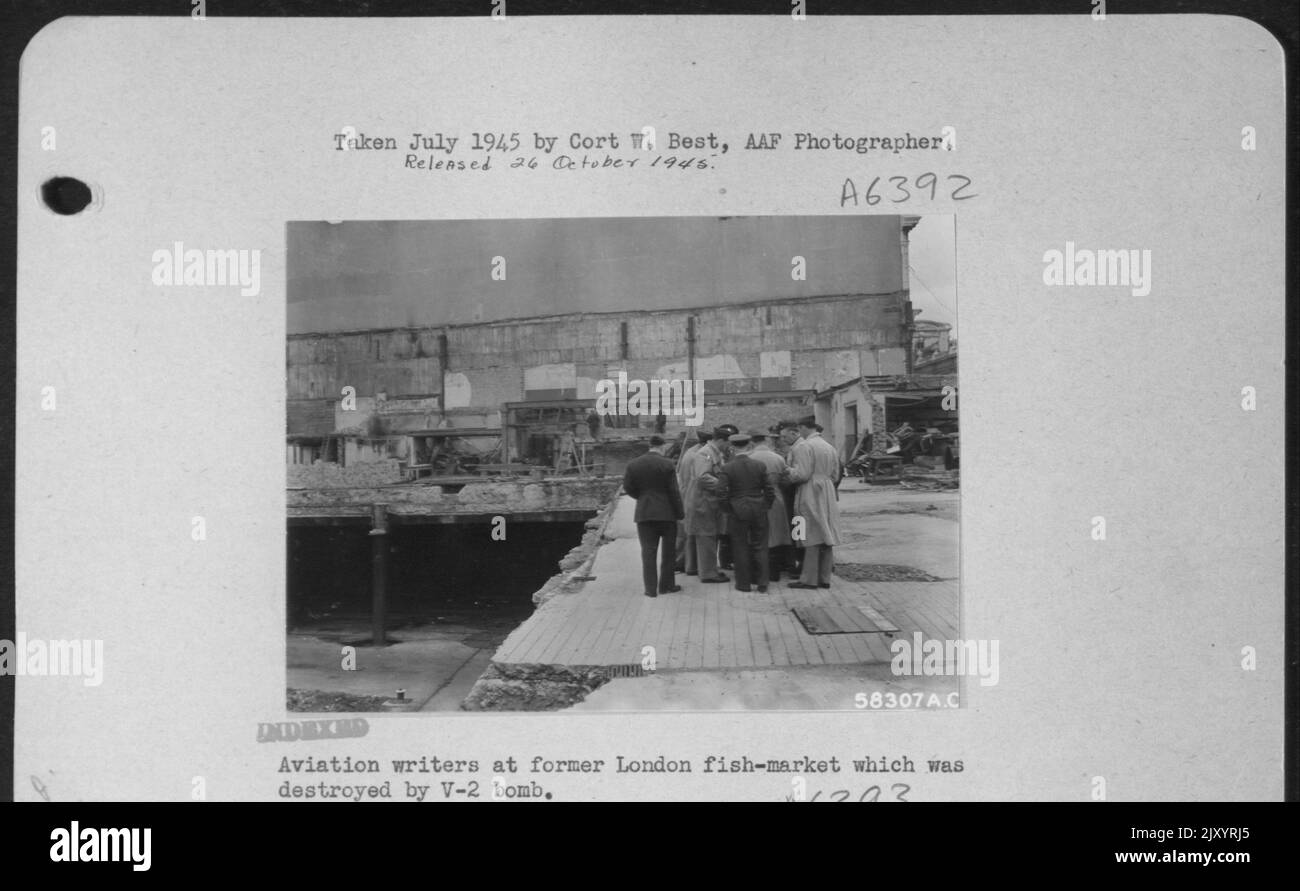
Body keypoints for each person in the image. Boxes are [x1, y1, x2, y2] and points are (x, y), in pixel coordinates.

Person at [622, 435, 685, 598]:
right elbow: (674, 491)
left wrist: (642, 497)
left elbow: (628, 487)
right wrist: (680, 513)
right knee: (668, 551)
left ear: (649, 446)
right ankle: (666, 586)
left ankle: (650, 589)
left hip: (644, 513)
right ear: (663, 446)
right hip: (667, 513)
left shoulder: (633, 464)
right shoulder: (667, 464)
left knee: (648, 552)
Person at [785, 416, 843, 589]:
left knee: (810, 532)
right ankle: (825, 578)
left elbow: (802, 474)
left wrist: (787, 470)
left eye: (799, 429)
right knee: (826, 532)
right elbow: (835, 474)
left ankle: (808, 579)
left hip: (810, 490)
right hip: (827, 490)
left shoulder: (804, 446)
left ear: (803, 428)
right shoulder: (829, 446)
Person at [715, 433, 776, 592]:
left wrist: (728, 509)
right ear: (749, 446)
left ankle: (743, 584)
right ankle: (762, 583)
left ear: (733, 447)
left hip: (737, 509)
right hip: (758, 507)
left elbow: (721, 492)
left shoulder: (727, 467)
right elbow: (770, 490)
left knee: (740, 546)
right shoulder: (760, 465)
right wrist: (766, 505)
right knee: (761, 546)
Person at [682, 427, 732, 583]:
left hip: (705, 501)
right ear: (721, 440)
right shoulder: (706, 454)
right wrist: (723, 485)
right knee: (707, 537)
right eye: (728, 443)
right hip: (704, 502)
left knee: (702, 536)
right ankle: (709, 574)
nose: (729, 447)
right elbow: (703, 477)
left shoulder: (711, 452)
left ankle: (698, 568)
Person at [750, 431, 794, 579]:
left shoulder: (750, 458)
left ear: (752, 442)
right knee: (776, 534)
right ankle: (775, 571)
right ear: (766, 441)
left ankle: (760, 571)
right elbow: (787, 479)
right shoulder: (778, 458)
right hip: (776, 498)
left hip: (755, 499)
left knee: (758, 535)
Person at [675, 429, 711, 574]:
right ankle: (683, 563)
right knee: (688, 534)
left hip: (685, 495)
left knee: (687, 533)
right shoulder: (698, 455)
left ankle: (686, 564)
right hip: (692, 497)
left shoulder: (689, 453)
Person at [775, 420, 804, 578]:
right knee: (797, 529)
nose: (783, 440)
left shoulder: (800, 448)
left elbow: (799, 473)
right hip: (795, 493)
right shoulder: (795, 447)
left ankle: (800, 562)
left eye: (785, 436)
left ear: (794, 433)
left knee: (799, 529)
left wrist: (785, 474)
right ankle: (797, 561)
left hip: (796, 492)